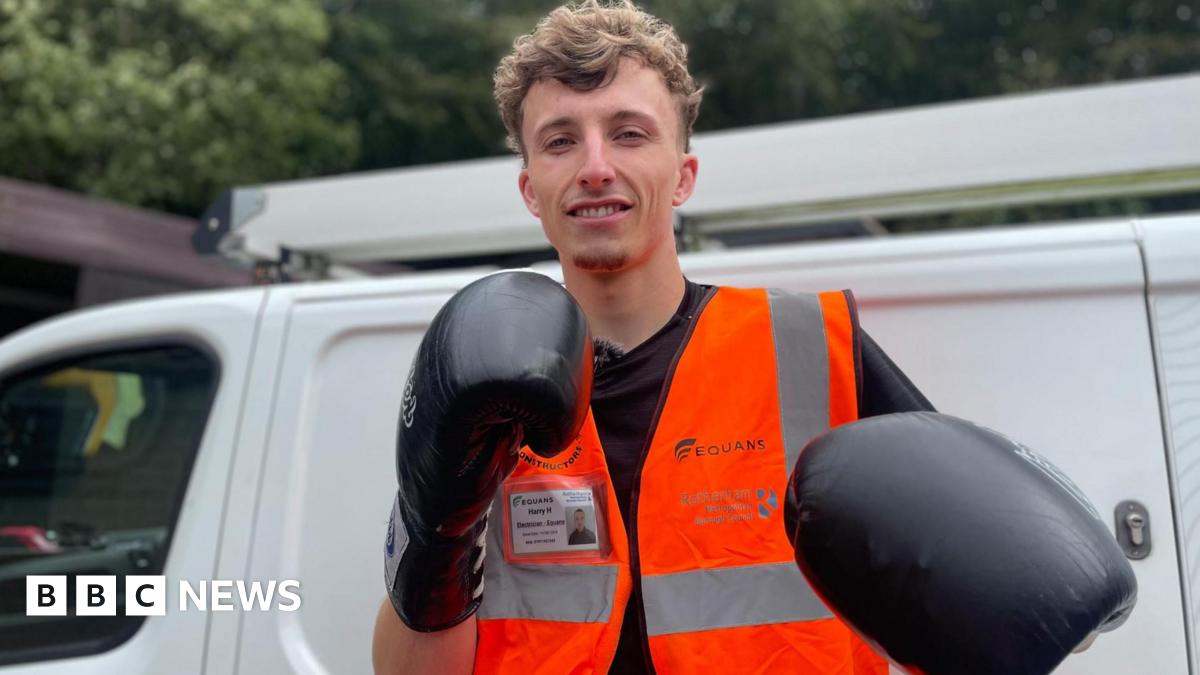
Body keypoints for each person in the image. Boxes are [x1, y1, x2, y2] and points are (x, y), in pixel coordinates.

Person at [372, 2, 933, 673]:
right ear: (530, 188)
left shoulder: (810, 347)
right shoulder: (481, 375)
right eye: (560, 141)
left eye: (630, 134)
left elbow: (977, 583)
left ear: (683, 176)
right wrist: (438, 531)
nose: (596, 166)